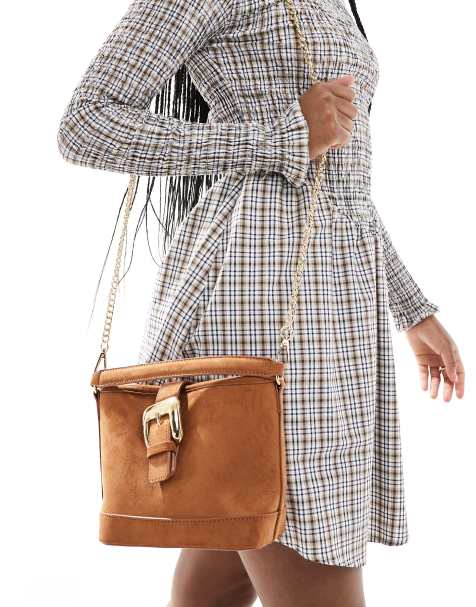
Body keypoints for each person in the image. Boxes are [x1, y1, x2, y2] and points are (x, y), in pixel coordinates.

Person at [57, 0, 465, 605]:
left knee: (232, 546)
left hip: (334, 311)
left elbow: (340, 184)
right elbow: (86, 124)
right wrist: (277, 139)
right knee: (301, 538)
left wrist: (412, 309)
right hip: (256, 300)